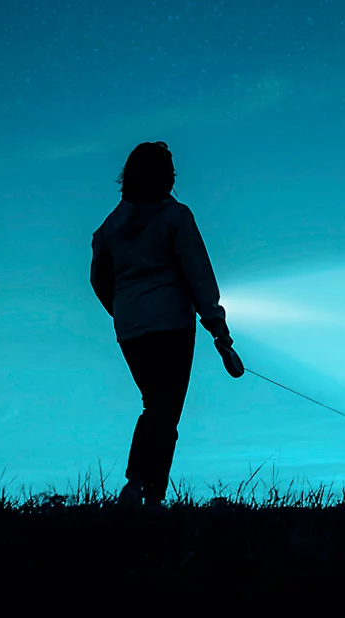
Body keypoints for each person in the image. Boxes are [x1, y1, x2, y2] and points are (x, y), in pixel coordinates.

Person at [90, 141, 244, 508]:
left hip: (130, 327)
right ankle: (145, 491)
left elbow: (99, 279)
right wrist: (217, 326)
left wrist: (121, 311)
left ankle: (141, 489)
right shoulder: (176, 217)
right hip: (172, 324)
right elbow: (198, 274)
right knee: (165, 408)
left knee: (155, 405)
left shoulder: (109, 227)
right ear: (165, 176)